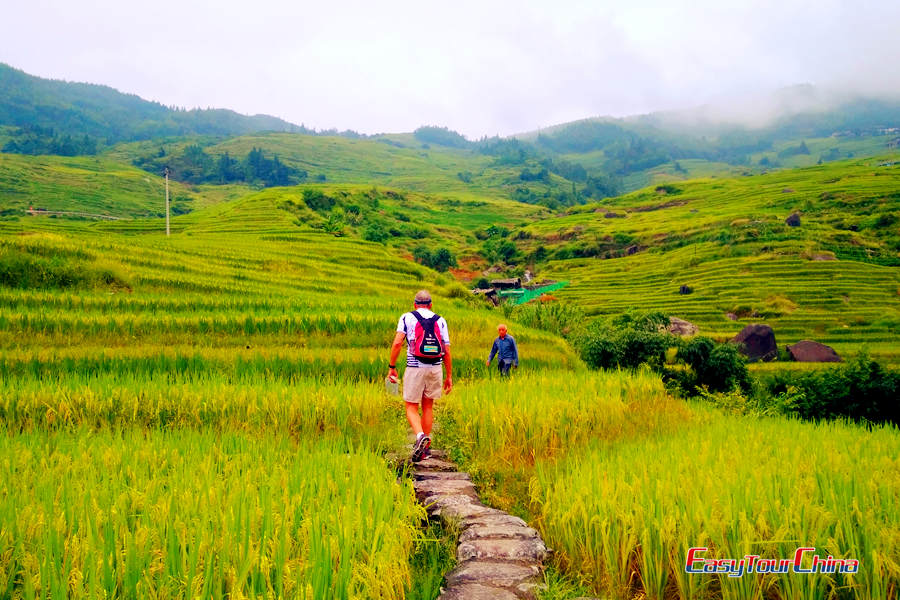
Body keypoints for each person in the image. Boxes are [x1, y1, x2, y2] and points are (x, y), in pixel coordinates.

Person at [388, 290, 452, 461]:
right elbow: (446, 350)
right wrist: (449, 376)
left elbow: (397, 343)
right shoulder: (441, 320)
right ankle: (425, 450)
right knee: (428, 406)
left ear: (414, 304)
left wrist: (392, 367)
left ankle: (419, 436)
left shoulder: (406, 317)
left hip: (415, 367)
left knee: (410, 406)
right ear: (431, 305)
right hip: (435, 368)